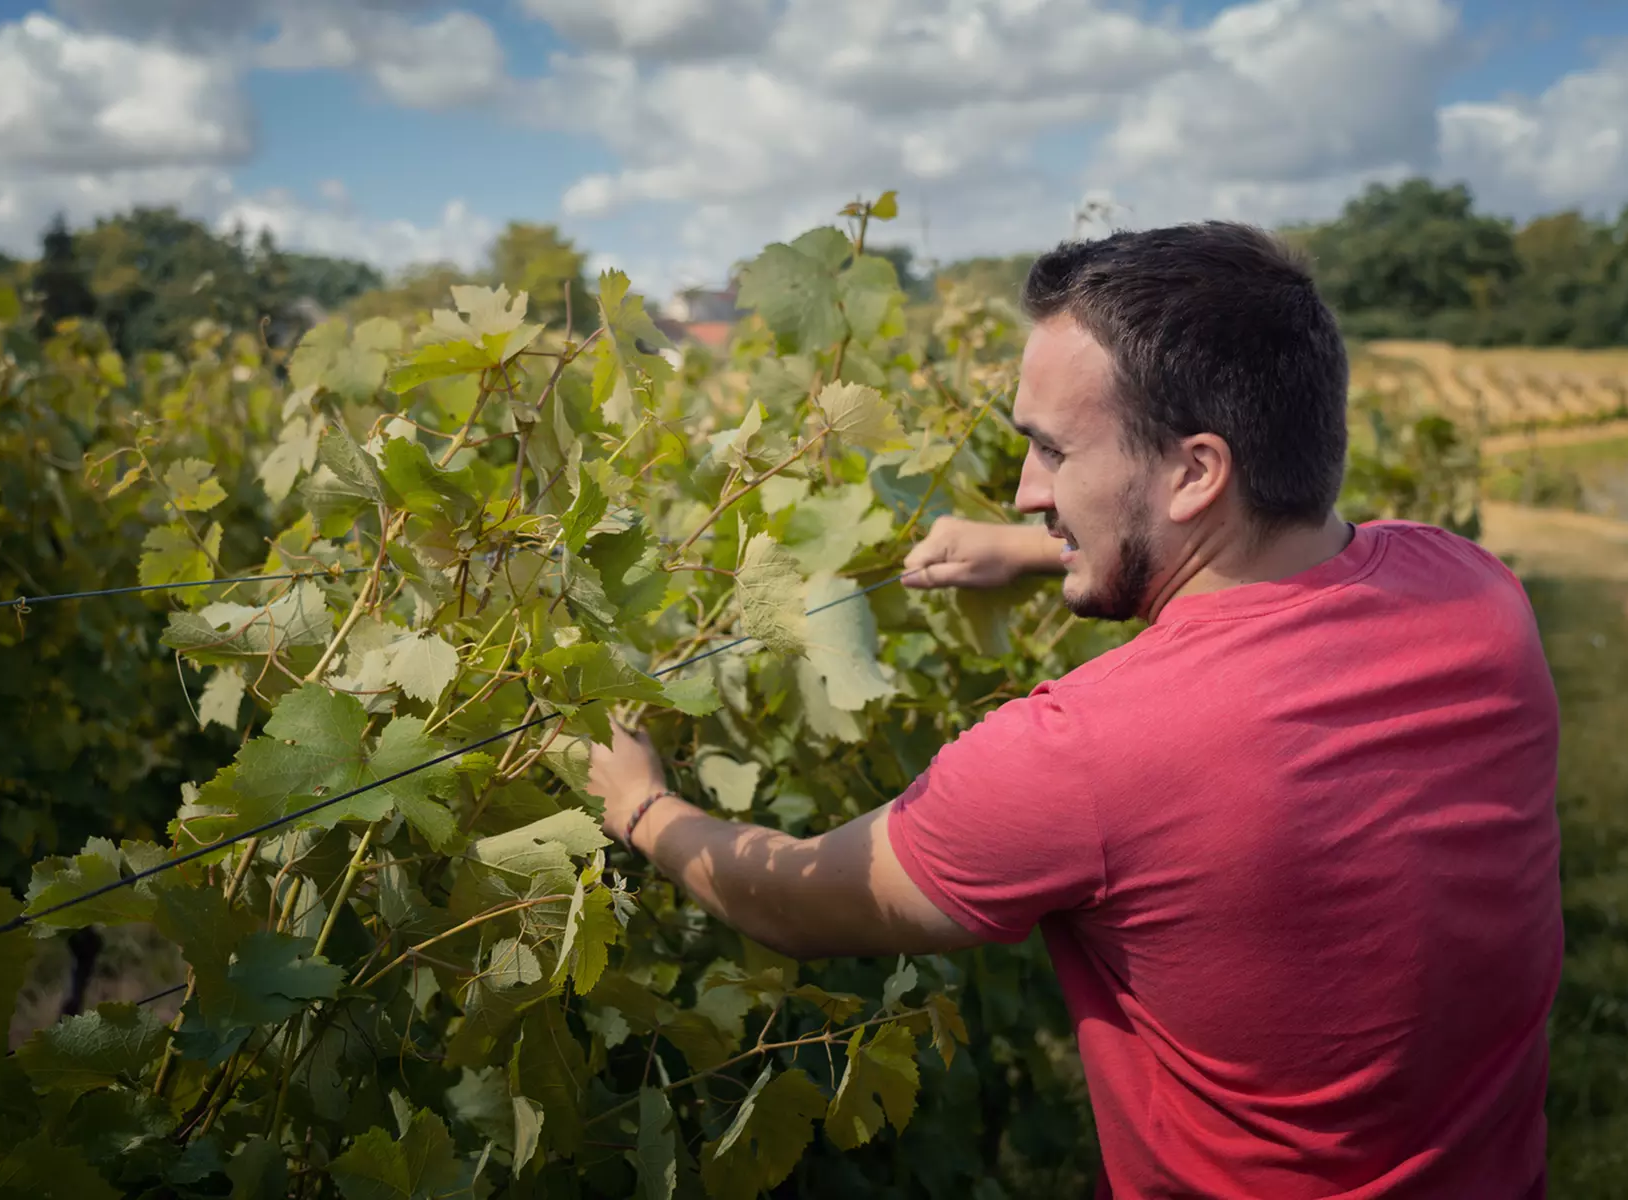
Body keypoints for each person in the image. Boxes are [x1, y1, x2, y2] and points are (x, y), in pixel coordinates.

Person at [587, 223, 1562, 1199]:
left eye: (1051, 452)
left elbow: (799, 901)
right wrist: (1047, 553)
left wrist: (641, 806)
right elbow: (1275, 579)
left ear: (1195, 475)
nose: (1024, 492)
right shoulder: (1475, 592)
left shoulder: (1081, 756)